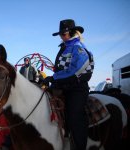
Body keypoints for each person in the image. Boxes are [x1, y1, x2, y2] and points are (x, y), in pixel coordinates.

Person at [43, 19, 94, 150]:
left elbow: (76, 70)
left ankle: (79, 146)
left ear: (71, 33)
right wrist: (50, 79)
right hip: (63, 86)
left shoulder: (79, 48)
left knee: (74, 117)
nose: (61, 36)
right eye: (60, 34)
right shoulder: (65, 47)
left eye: (63, 34)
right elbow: (61, 70)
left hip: (77, 88)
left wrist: (53, 77)